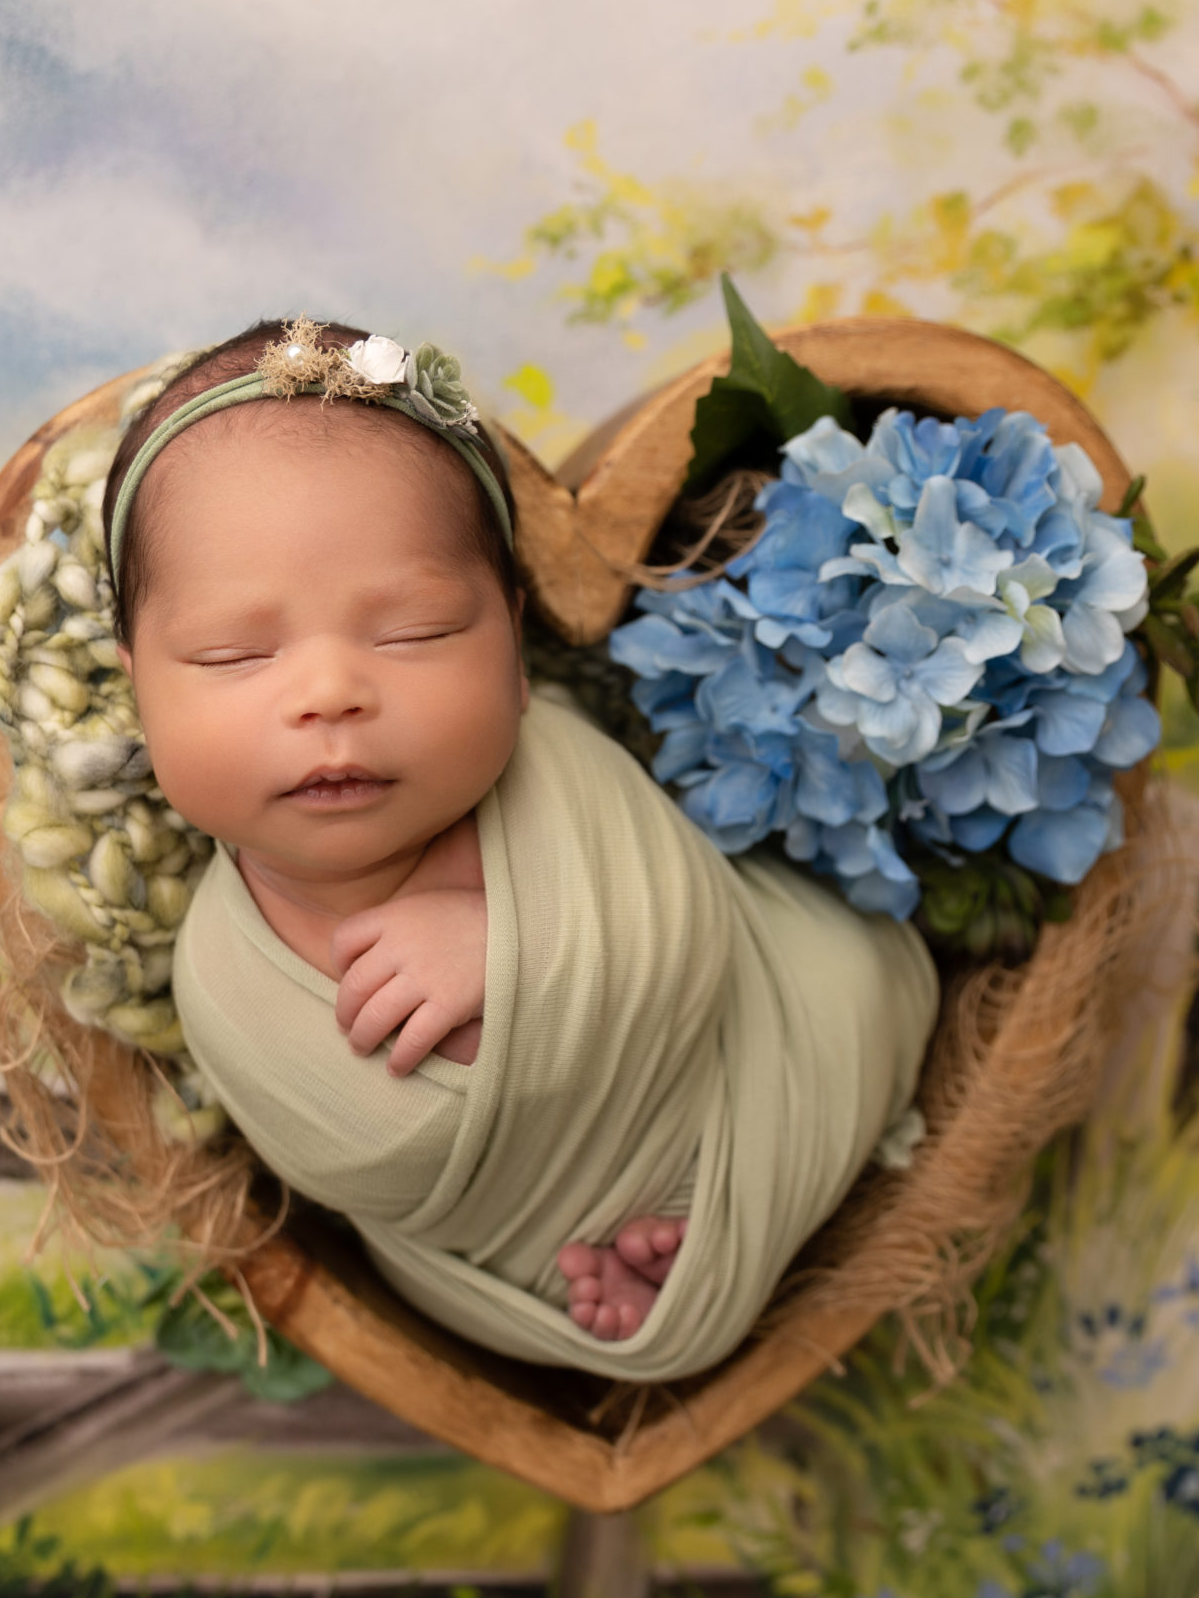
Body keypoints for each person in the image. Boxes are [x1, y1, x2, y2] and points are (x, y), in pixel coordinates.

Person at [92, 315, 939, 1381]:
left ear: (517, 648)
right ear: (139, 686)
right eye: (232, 652)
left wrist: (521, 955)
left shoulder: (557, 775)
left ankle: (692, 1230)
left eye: (418, 632)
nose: (328, 694)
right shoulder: (218, 976)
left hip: (757, 1066)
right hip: (515, 1252)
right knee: (509, 1292)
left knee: (851, 974)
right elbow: (342, 1166)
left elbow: (684, 935)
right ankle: (643, 1266)